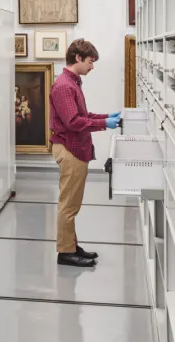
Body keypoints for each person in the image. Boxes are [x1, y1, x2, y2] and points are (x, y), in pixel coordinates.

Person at [49, 39, 121, 268]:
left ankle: (71, 245)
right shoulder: (64, 86)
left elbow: (83, 114)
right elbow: (73, 122)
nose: (92, 67)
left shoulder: (73, 83)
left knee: (72, 202)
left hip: (75, 147)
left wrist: (106, 117)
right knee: (69, 204)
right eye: (91, 61)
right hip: (69, 148)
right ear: (78, 58)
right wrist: (104, 125)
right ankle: (65, 252)